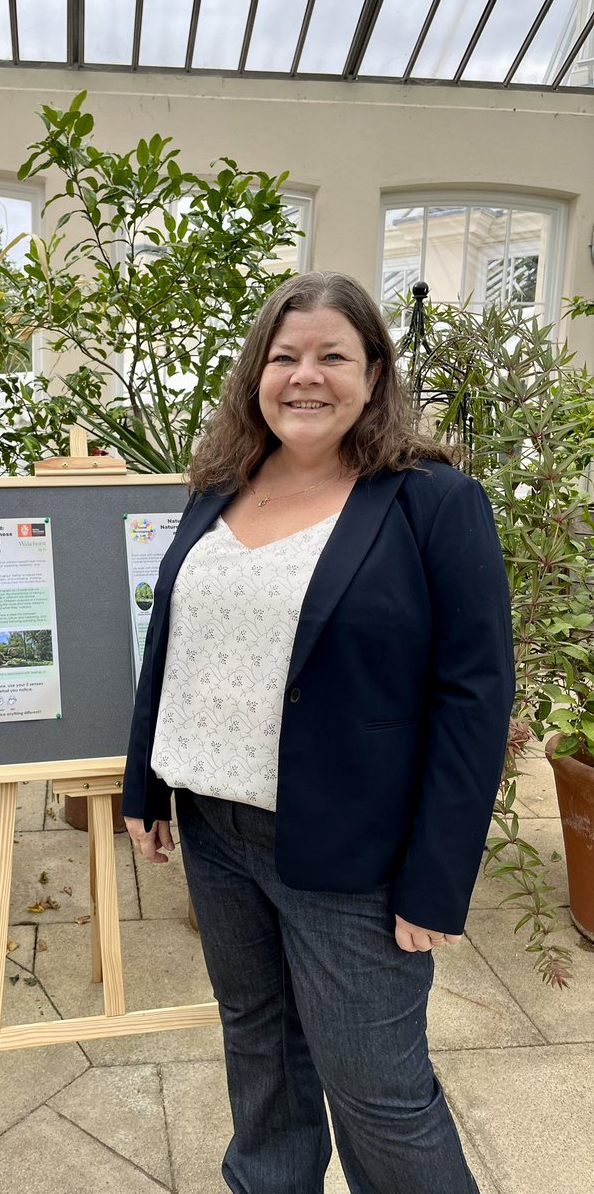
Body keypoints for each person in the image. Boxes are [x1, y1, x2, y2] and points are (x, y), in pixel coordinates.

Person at [122, 271, 514, 1194]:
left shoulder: (432, 502)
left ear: (373, 375)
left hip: (355, 858)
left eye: (332, 356)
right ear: (256, 374)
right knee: (261, 1054)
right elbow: (172, 640)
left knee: (377, 1093)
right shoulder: (222, 486)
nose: (306, 376)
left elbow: (474, 698)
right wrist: (146, 781)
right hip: (216, 834)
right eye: (284, 356)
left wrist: (437, 881)